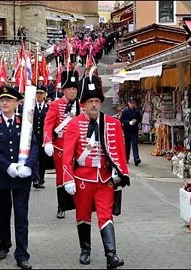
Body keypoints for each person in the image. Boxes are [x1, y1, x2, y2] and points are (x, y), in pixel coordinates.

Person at [62, 74, 129, 269]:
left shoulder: (112, 124)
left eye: (97, 101)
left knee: (105, 215)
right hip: (82, 177)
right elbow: (67, 155)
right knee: (83, 215)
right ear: (83, 104)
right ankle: (85, 250)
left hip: (104, 179)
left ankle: (111, 255)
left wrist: (121, 172)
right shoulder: (74, 124)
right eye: (90, 101)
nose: (94, 105)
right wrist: (68, 178)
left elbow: (120, 150)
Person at [0, 86, 38, 270]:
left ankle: (22, 255)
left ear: (17, 103)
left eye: (8, 100)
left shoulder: (25, 123)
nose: (4, 103)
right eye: (2, 99)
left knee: (21, 217)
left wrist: (28, 166)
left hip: (21, 178)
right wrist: (8, 166)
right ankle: (4, 244)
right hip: (2, 177)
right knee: (3, 214)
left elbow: (34, 146)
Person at [43, 69, 81, 219]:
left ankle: (78, 204)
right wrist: (47, 141)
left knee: (78, 176)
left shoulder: (82, 105)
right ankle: (62, 206)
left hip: (78, 148)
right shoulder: (56, 105)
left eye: (74, 88)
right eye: (69, 88)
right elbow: (48, 124)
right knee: (61, 176)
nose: (71, 91)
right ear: (63, 90)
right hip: (60, 146)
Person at [32, 85, 49, 189]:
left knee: (42, 160)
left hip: (43, 138)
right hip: (33, 138)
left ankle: (41, 179)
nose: (39, 95)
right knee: (34, 159)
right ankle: (35, 179)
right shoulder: (30, 107)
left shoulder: (49, 108)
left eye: (41, 93)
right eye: (37, 93)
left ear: (45, 95)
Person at [120, 98, 142, 166]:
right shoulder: (125, 111)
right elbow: (122, 120)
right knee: (127, 144)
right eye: (131, 104)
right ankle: (126, 158)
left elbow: (140, 119)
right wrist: (129, 122)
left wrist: (136, 120)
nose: (132, 105)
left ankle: (136, 158)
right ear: (129, 104)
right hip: (127, 129)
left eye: (133, 104)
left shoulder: (137, 111)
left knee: (135, 144)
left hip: (134, 129)